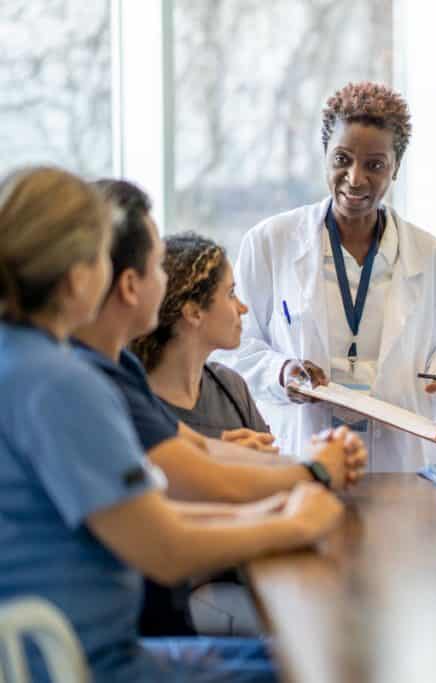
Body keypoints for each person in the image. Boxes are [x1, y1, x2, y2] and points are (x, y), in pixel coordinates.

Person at [0, 165, 346, 682]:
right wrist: (294, 522)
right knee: (318, 667)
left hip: (70, 652)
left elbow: (147, 515)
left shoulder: (24, 360)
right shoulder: (60, 383)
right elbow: (164, 549)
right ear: (77, 280)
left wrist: (270, 511)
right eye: (103, 257)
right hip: (89, 665)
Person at [74, 179, 365, 637]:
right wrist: (307, 486)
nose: (166, 280)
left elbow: (192, 463)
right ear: (130, 284)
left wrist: (288, 495)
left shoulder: (113, 371)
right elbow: (169, 527)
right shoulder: (78, 381)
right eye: (158, 268)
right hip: (121, 644)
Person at [219, 81, 436, 471]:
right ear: (325, 157)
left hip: (399, 463)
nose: (356, 178)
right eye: (342, 159)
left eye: (375, 165)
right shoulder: (269, 243)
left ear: (396, 168)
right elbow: (233, 349)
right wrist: (282, 373)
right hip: (303, 451)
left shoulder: (431, 259)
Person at [132, 232, 273, 447]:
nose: (243, 308)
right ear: (194, 312)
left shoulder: (230, 386)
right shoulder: (134, 402)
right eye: (231, 293)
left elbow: (276, 469)